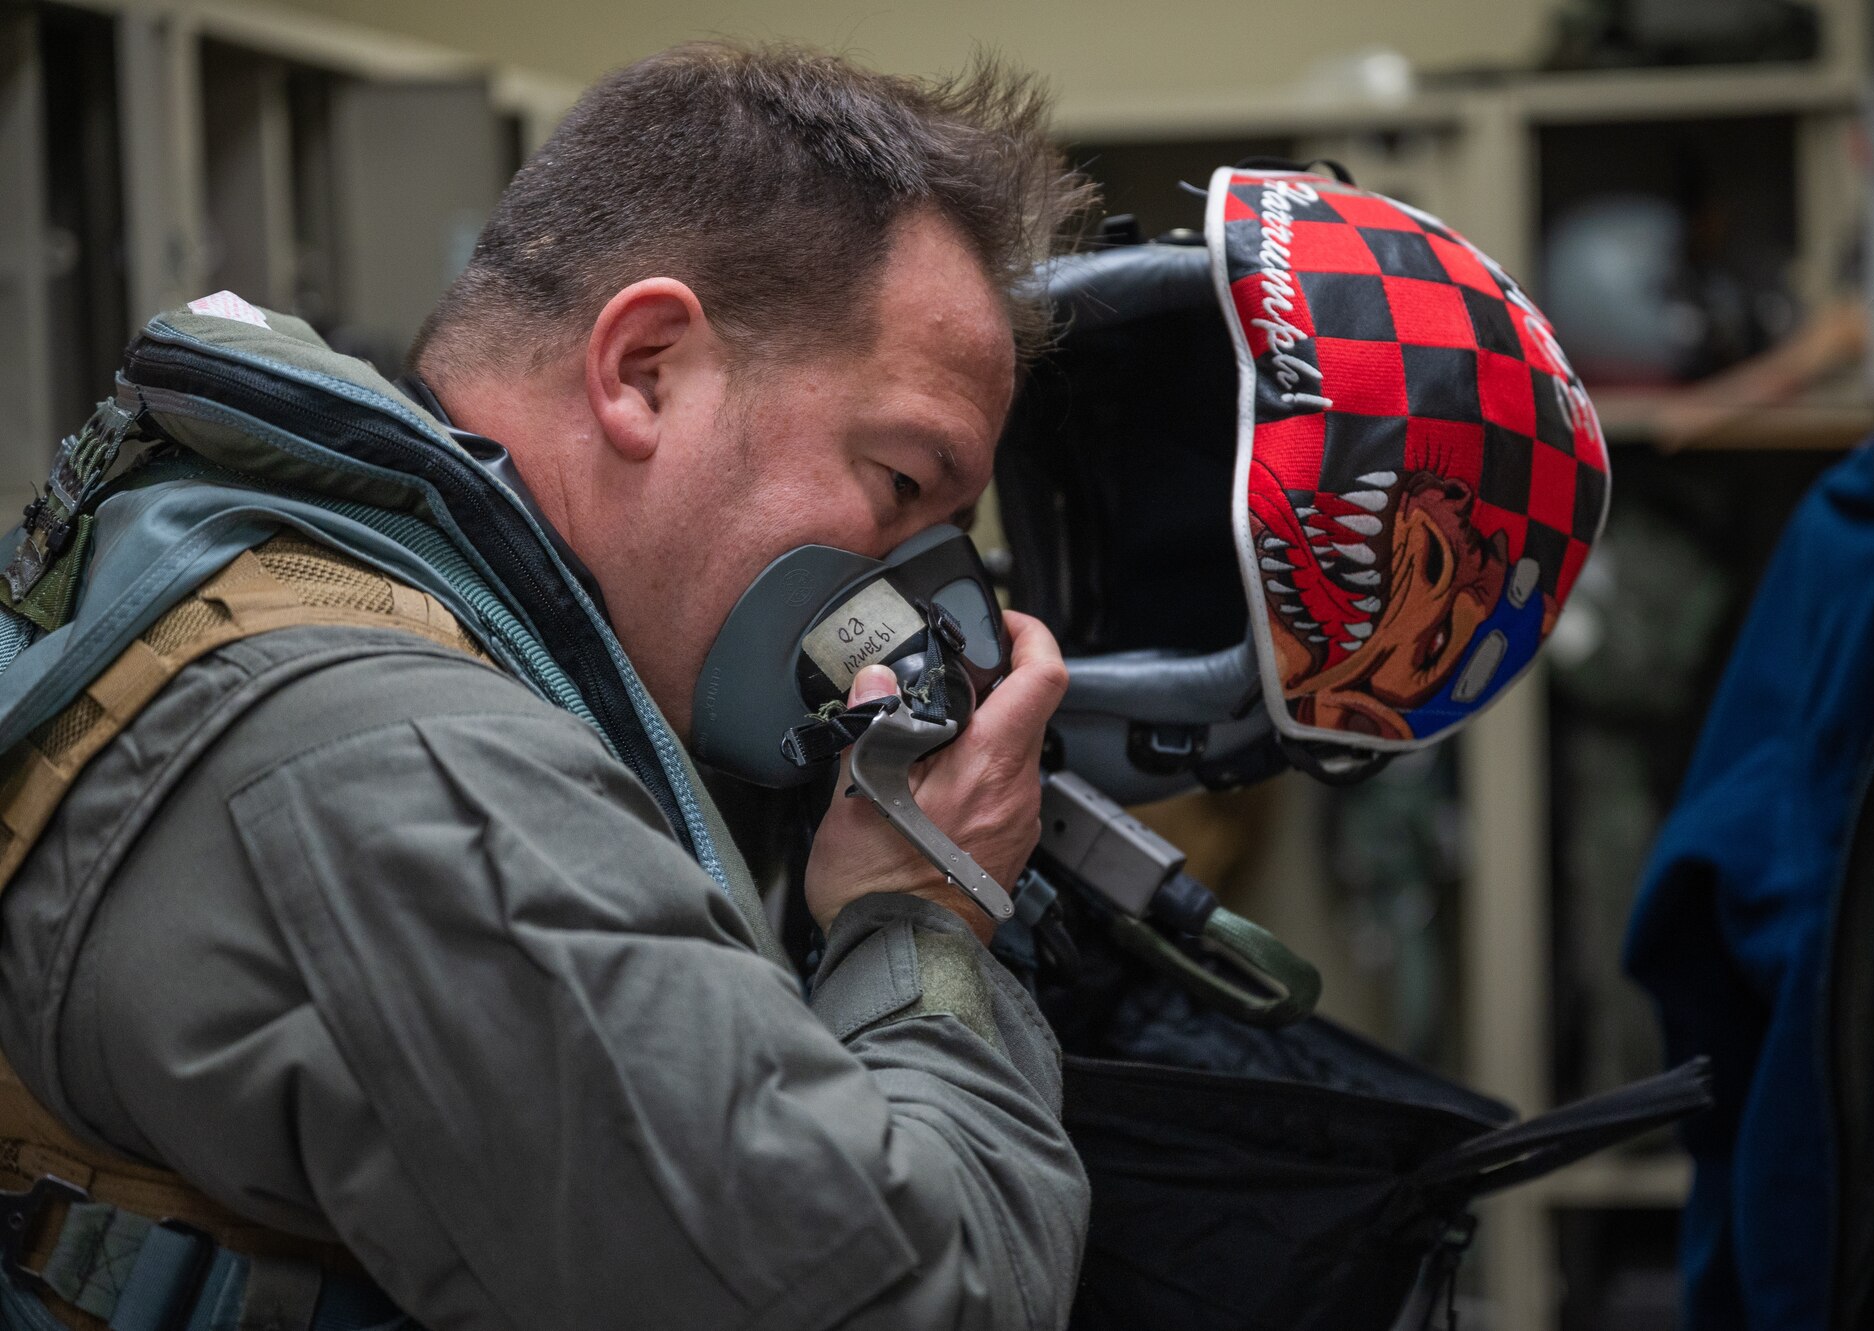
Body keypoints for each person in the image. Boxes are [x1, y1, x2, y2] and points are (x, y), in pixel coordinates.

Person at [0, 42, 1093, 1331]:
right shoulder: (426, 777)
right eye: (901, 485)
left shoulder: (268, 570)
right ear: (644, 371)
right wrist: (919, 914)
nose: (905, 601)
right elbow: (905, 1300)